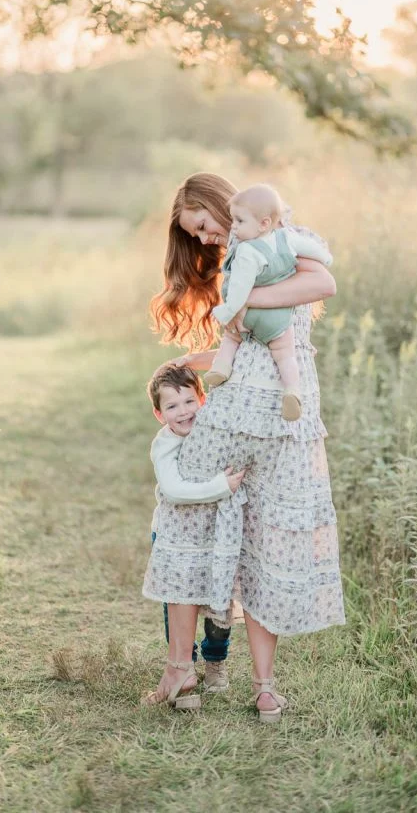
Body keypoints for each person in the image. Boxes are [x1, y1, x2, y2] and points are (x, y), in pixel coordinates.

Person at [143, 173, 345, 723]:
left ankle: (256, 682)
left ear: (220, 207)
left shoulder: (276, 236)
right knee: (193, 526)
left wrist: (242, 297)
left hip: (284, 416)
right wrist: (193, 362)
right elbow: (240, 339)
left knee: (264, 542)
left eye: (205, 225)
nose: (206, 239)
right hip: (246, 413)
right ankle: (188, 669)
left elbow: (322, 283)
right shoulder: (232, 261)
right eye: (196, 234)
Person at [144, 363, 245, 706]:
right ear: (159, 414)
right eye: (172, 406)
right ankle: (183, 665)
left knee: (219, 602)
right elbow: (173, 490)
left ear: (202, 398)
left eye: (189, 401)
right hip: (173, 537)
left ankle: (216, 663)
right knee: (178, 601)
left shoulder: (211, 430)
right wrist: (221, 487)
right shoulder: (164, 445)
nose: (183, 412)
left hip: (214, 537)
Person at [206, 183, 333, 422]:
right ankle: (292, 390)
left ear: (263, 223)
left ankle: (220, 368)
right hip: (280, 319)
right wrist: (326, 257)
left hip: (251, 314)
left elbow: (241, 287)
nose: (233, 226)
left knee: (231, 337)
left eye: (239, 221)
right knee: (286, 354)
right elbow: (310, 247)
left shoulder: (247, 251)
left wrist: (230, 308)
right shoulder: (286, 238)